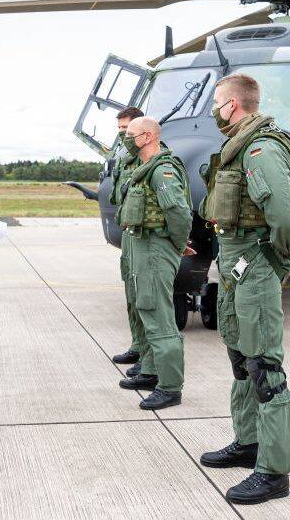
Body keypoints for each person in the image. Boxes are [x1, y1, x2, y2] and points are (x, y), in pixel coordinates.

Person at [198, 73, 290, 505]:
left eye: (217, 100)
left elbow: (285, 216)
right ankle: (248, 443)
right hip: (235, 266)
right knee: (240, 359)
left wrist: (276, 263)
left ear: (233, 104)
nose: (213, 108)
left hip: (253, 265)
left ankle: (274, 470)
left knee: (265, 369)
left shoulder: (261, 148)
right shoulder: (236, 148)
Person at [117, 117, 192, 410]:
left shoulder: (162, 171)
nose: (125, 138)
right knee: (143, 307)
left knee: (159, 314)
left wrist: (175, 245)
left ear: (147, 136)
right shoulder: (144, 169)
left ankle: (170, 386)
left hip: (155, 249)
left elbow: (180, 214)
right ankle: (150, 370)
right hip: (142, 244)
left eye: (130, 134)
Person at [110, 106, 146, 377]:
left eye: (127, 129)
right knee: (131, 294)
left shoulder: (150, 155)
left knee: (145, 297)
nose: (122, 134)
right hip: (129, 233)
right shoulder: (124, 155)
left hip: (145, 236)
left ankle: (148, 356)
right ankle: (137, 345)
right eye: (120, 129)